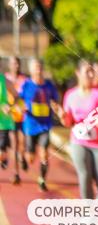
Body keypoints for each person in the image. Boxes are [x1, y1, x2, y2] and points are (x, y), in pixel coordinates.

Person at [57, 61, 98, 199]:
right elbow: (68, 122)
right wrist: (63, 116)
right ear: (78, 73)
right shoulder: (70, 95)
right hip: (79, 141)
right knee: (84, 175)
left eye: (92, 71)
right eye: (87, 71)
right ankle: (88, 211)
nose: (91, 74)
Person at [19, 59, 61, 191]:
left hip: (45, 125)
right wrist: (22, 108)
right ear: (31, 70)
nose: (38, 70)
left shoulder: (49, 85)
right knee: (31, 158)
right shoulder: (26, 85)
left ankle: (42, 180)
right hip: (30, 125)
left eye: (40, 67)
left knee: (44, 154)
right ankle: (24, 157)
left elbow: (56, 100)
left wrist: (55, 106)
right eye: (36, 67)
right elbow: (18, 99)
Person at [5, 57, 28, 172]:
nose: (16, 66)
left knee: (22, 143)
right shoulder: (5, 78)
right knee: (14, 143)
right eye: (13, 63)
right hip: (9, 116)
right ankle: (16, 172)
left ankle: (22, 156)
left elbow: (27, 96)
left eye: (17, 63)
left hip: (22, 115)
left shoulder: (24, 80)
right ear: (9, 65)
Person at [0, 72, 20, 184]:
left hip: (3, 123)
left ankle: (4, 156)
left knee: (1, 153)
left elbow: (16, 96)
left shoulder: (4, 80)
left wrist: (10, 106)